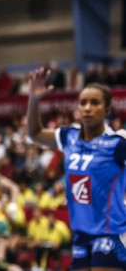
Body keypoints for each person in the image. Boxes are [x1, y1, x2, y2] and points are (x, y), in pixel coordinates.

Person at [26, 68, 126, 270]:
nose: (88, 108)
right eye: (83, 103)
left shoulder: (117, 142)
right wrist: (34, 100)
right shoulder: (69, 136)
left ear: (107, 109)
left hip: (111, 232)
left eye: (95, 103)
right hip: (81, 233)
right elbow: (34, 133)